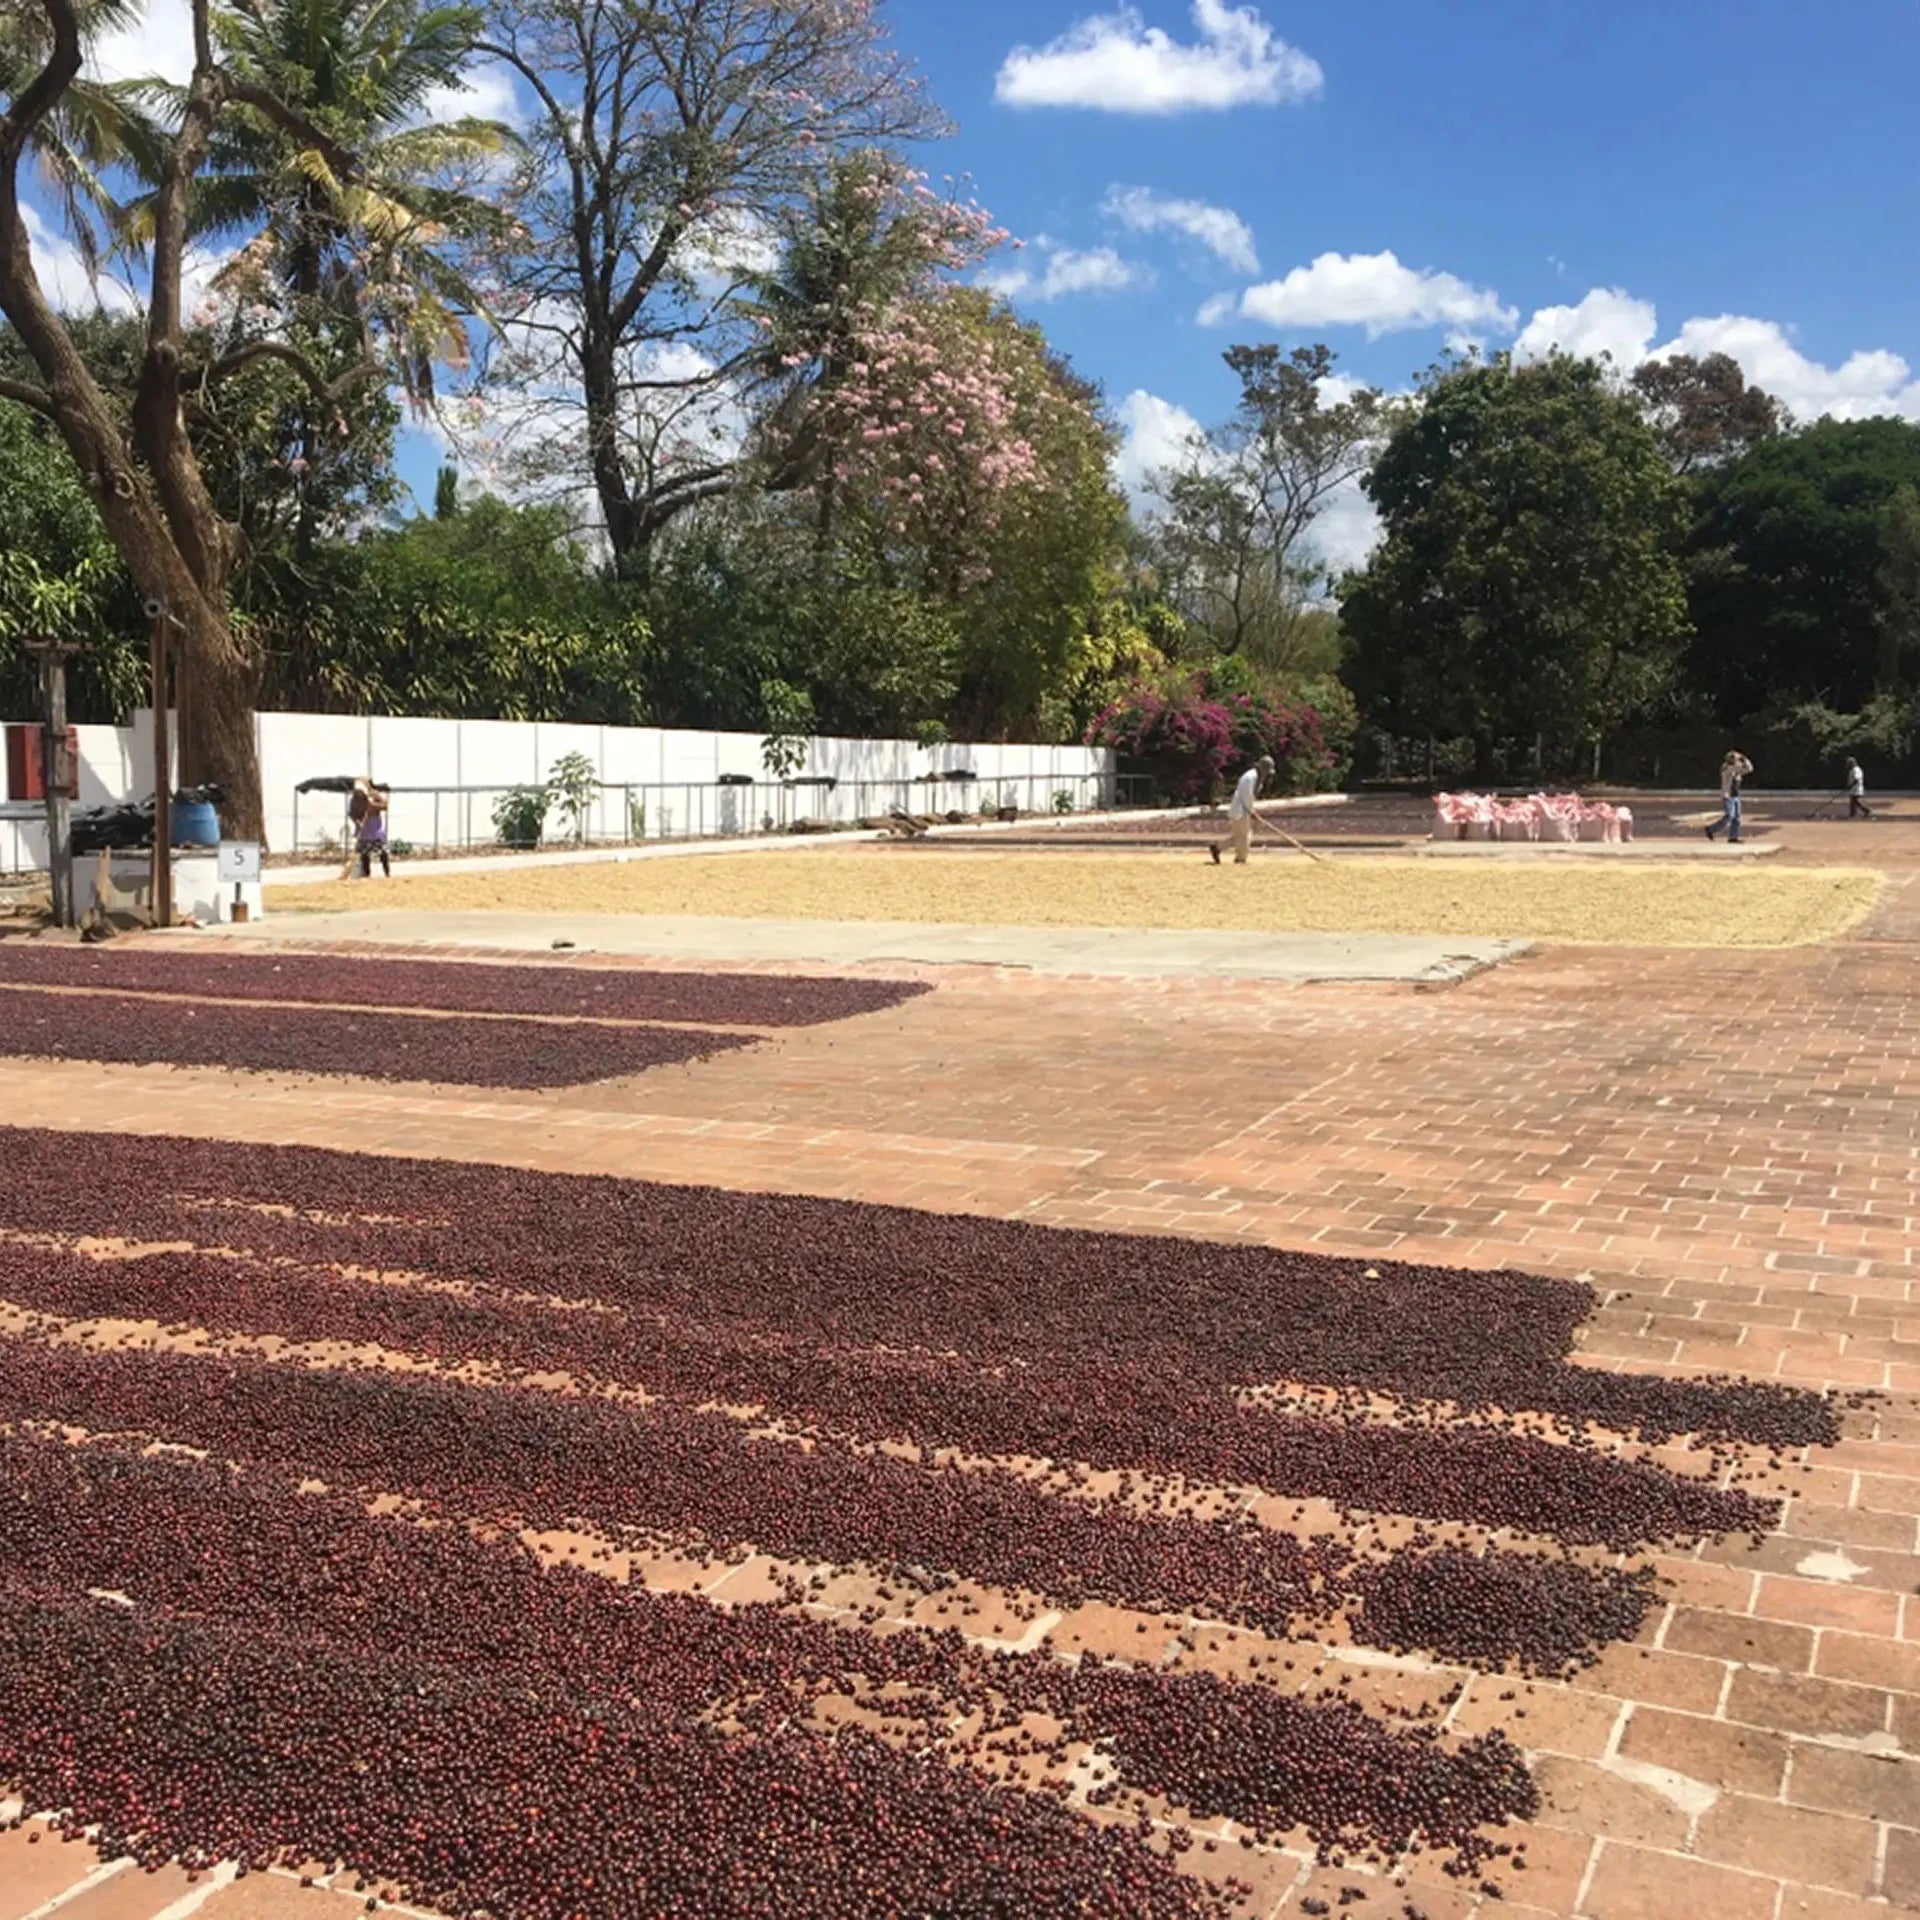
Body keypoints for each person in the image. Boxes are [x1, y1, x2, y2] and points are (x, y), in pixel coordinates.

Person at [1225, 755, 1276, 865]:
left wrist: (1252, 810)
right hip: (1240, 810)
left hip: (1244, 809)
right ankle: (1240, 859)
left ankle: (1218, 847)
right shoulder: (1249, 777)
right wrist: (1251, 812)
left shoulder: (1257, 779)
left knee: (1240, 836)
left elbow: (1251, 797)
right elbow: (1246, 796)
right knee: (1245, 835)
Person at [1705, 750, 1752, 844]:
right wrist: (1742, 758)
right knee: (1729, 816)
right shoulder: (1726, 768)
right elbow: (1735, 768)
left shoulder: (1736, 770)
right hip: (1728, 795)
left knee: (1736, 818)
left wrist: (1744, 759)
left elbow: (1749, 769)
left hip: (1736, 796)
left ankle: (1733, 837)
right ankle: (1711, 829)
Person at [351, 778, 391, 878]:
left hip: (375, 829)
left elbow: (385, 806)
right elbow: (352, 813)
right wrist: (357, 822)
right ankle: (367, 874)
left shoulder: (374, 794)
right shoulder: (355, 798)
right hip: (363, 830)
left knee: (383, 852)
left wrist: (372, 805)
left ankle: (387, 873)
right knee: (364, 854)